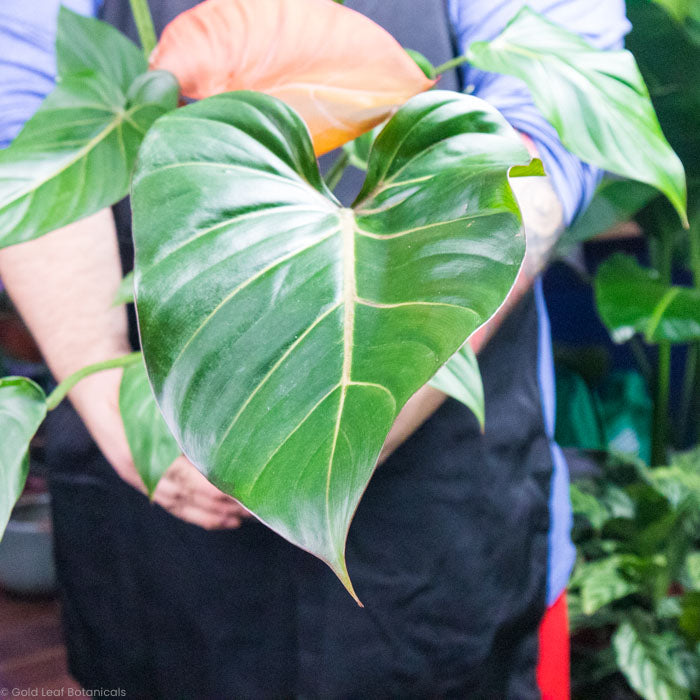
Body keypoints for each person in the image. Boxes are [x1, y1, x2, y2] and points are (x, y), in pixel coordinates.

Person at [0, 0, 629, 697]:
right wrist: (116, 408)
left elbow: (551, 116)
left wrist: (348, 423)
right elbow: (22, 114)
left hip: (431, 471)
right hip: (161, 460)